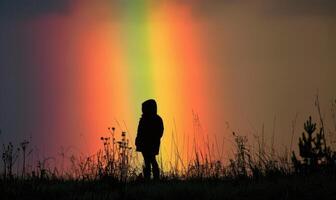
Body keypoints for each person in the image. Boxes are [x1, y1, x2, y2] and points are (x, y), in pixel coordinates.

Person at [135, 99, 164, 180]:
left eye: (144, 108)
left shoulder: (156, 119)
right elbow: (139, 131)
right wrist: (137, 139)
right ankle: (148, 178)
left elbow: (160, 132)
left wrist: (154, 139)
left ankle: (156, 178)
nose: (142, 110)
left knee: (152, 160)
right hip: (144, 144)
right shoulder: (143, 119)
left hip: (152, 144)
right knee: (147, 161)